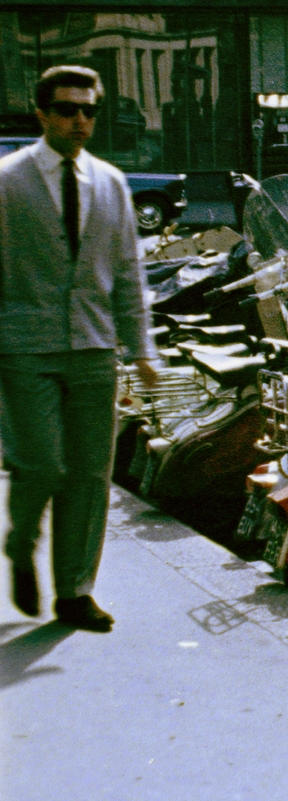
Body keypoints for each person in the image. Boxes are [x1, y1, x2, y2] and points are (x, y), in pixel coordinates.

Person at [0, 65, 161, 631]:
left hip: (94, 347)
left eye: (89, 110)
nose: (81, 120)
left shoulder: (110, 182)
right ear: (42, 113)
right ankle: (21, 543)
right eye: (68, 109)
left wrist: (142, 349)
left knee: (91, 473)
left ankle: (74, 590)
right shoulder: (7, 181)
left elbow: (127, 272)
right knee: (42, 464)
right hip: (23, 347)